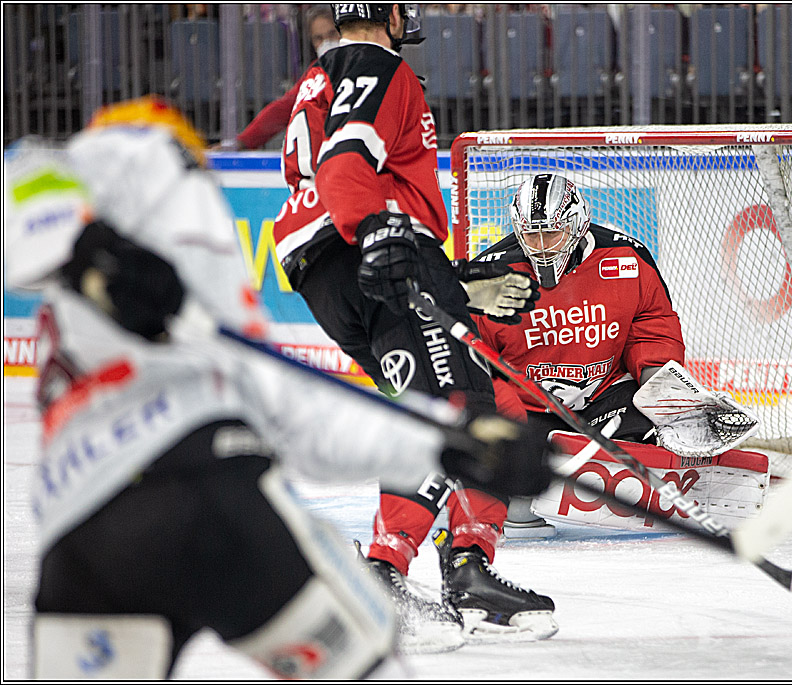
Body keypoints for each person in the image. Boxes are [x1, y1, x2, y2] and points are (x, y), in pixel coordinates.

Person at [2, 97, 553, 678]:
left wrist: (448, 442)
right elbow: (40, 180)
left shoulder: (205, 306)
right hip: (207, 497)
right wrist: (95, 253)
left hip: (84, 535)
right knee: (371, 665)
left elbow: (302, 420)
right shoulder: (146, 174)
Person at [271, 3, 555, 643]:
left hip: (330, 268)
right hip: (374, 247)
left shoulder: (325, 73)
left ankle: (467, 567)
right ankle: (384, 575)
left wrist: (441, 275)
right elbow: (347, 166)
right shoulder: (379, 66)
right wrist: (377, 234)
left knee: (482, 404)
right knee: (453, 408)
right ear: (391, 14)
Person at [471, 173, 691, 536]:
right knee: (504, 471)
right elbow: (475, 361)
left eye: (551, 233)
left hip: (605, 398)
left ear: (575, 225)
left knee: (648, 425)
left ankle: (645, 459)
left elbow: (651, 322)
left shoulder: (626, 258)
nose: (540, 246)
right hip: (529, 408)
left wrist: (657, 378)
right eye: (531, 234)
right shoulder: (488, 276)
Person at [212, 6, 341, 151]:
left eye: (332, 34)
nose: (326, 42)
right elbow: (284, 108)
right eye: (318, 38)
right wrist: (242, 142)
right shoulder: (317, 71)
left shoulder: (364, 64)